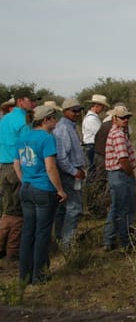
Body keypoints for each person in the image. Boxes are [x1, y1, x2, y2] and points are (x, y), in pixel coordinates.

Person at [14, 105, 67, 284]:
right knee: (42, 232)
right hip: (43, 189)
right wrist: (60, 190)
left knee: (28, 231)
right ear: (46, 120)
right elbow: (50, 167)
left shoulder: (23, 137)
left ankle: (24, 275)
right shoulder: (47, 138)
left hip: (27, 187)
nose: (56, 122)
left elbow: (16, 164)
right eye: (54, 118)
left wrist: (26, 180)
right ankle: (39, 274)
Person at [0, 87, 39, 230]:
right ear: (21, 101)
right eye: (31, 100)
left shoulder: (4, 119)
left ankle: (4, 245)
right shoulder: (23, 121)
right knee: (19, 210)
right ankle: (14, 250)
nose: (34, 103)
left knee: (8, 207)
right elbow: (28, 149)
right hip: (18, 168)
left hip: (4, 166)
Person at [53, 98, 86, 248]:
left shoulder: (70, 127)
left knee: (64, 208)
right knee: (74, 208)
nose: (77, 113)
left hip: (72, 172)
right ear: (65, 111)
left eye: (79, 110)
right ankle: (67, 244)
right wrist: (74, 172)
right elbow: (61, 156)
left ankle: (61, 239)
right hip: (69, 174)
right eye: (74, 110)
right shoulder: (63, 128)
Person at [103, 105, 136, 251]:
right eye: (123, 117)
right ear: (114, 118)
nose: (126, 120)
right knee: (124, 210)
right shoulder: (118, 135)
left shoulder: (117, 132)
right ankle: (125, 242)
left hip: (115, 175)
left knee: (116, 208)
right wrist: (131, 173)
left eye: (127, 117)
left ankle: (109, 240)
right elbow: (123, 159)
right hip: (120, 175)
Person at [82, 94, 110, 178]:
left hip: (91, 146)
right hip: (91, 146)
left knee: (93, 169)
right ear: (97, 106)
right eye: (102, 106)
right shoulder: (91, 119)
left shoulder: (93, 118)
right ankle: (91, 188)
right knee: (93, 170)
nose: (103, 109)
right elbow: (100, 133)